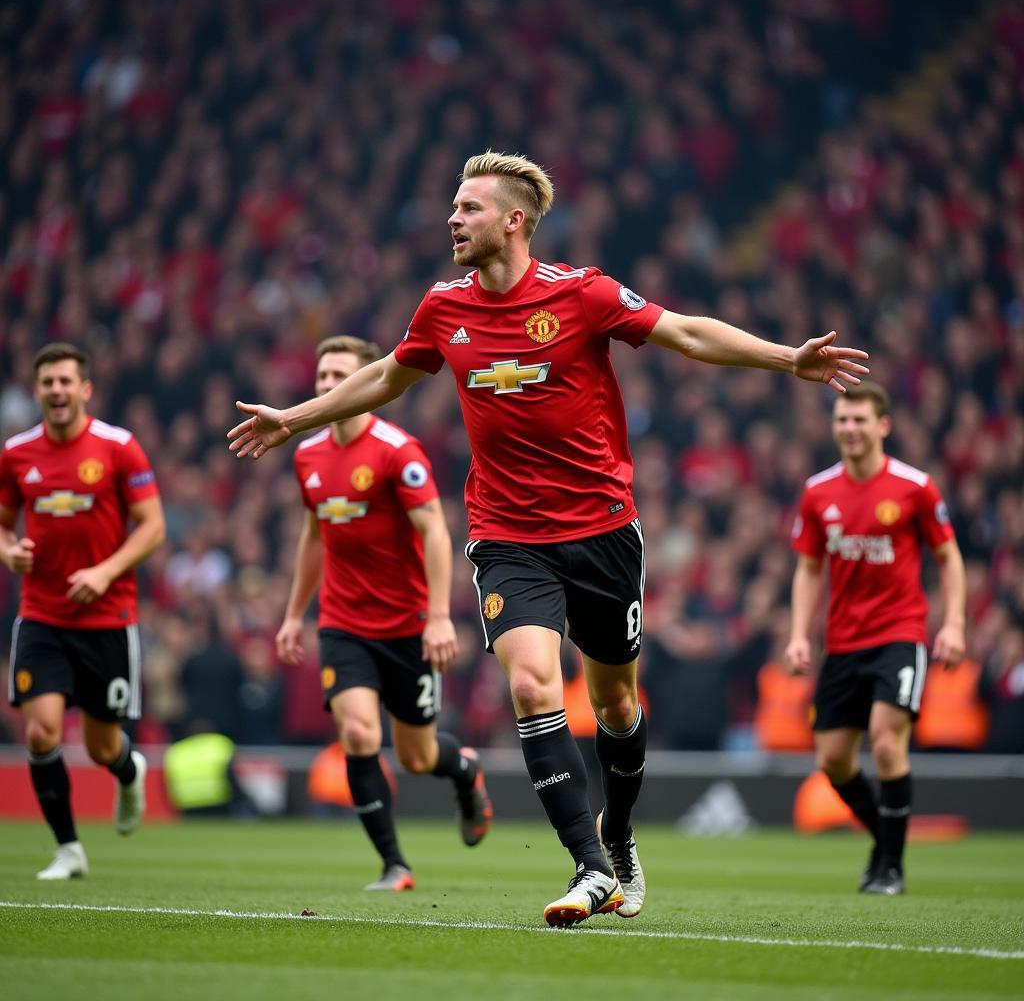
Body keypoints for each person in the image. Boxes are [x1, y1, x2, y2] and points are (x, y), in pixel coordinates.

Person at [229, 150, 869, 925]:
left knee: (617, 704)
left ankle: (620, 837)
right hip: (506, 533)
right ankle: (589, 866)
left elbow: (688, 333)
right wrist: (293, 418)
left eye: (468, 208)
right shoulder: (442, 306)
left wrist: (785, 358)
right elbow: (391, 376)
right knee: (533, 684)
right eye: (452, 208)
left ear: (514, 220)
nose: (452, 220)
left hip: (601, 529)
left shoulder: (582, 293)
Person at [275, 334, 493, 892]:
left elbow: (436, 534)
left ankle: (465, 770)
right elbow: (313, 537)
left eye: (341, 376)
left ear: (364, 383)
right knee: (356, 731)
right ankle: (395, 864)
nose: (330, 386)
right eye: (323, 377)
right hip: (344, 624)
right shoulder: (306, 454)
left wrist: (439, 616)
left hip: (406, 628)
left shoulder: (398, 451)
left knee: (418, 756)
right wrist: (293, 614)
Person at [786, 381, 966, 896]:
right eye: (842, 419)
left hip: (899, 634)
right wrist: (800, 634)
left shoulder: (915, 487)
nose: (849, 428)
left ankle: (891, 866)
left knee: (887, 743)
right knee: (833, 760)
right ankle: (883, 841)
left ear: (882, 425)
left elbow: (949, 558)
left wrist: (953, 623)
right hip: (842, 642)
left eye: (860, 420)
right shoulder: (818, 491)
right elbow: (808, 568)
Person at [0, 342, 165, 879]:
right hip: (43, 615)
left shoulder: (119, 448)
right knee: (41, 732)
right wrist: (8, 550)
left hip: (107, 619)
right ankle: (68, 849)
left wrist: (104, 571)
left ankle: (126, 767)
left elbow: (153, 527)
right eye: (48, 382)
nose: (57, 391)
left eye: (66, 381)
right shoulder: (17, 453)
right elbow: (3, 524)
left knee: (100, 745)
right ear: (37, 390)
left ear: (85, 388)